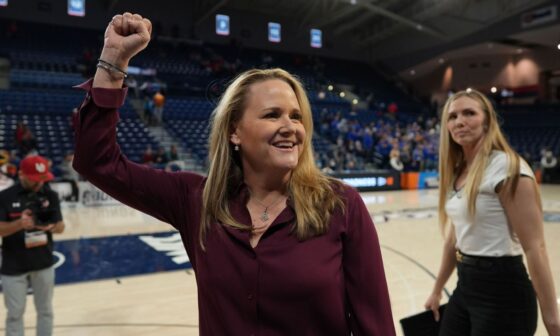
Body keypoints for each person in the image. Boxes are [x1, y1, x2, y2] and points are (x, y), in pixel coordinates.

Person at [71, 13, 395, 335]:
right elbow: (98, 163)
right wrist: (113, 63)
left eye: (296, 116)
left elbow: (375, 325)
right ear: (234, 132)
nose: (290, 127)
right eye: (272, 115)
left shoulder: (340, 205)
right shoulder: (196, 201)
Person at [424, 89, 560, 335]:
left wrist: (553, 323)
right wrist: (436, 290)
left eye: (469, 113)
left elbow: (535, 248)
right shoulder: (458, 172)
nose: (460, 121)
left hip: (504, 292)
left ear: (488, 121)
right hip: (466, 286)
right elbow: (454, 240)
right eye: (452, 116)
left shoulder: (507, 167)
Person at [0, 155, 65, 336]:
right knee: (15, 314)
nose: (39, 184)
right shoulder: (5, 197)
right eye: (35, 180)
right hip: (14, 266)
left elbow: (61, 226)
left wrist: (52, 227)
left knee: (46, 311)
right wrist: (19, 224)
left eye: (43, 179)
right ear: (21, 174)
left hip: (43, 263)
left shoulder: (50, 195)